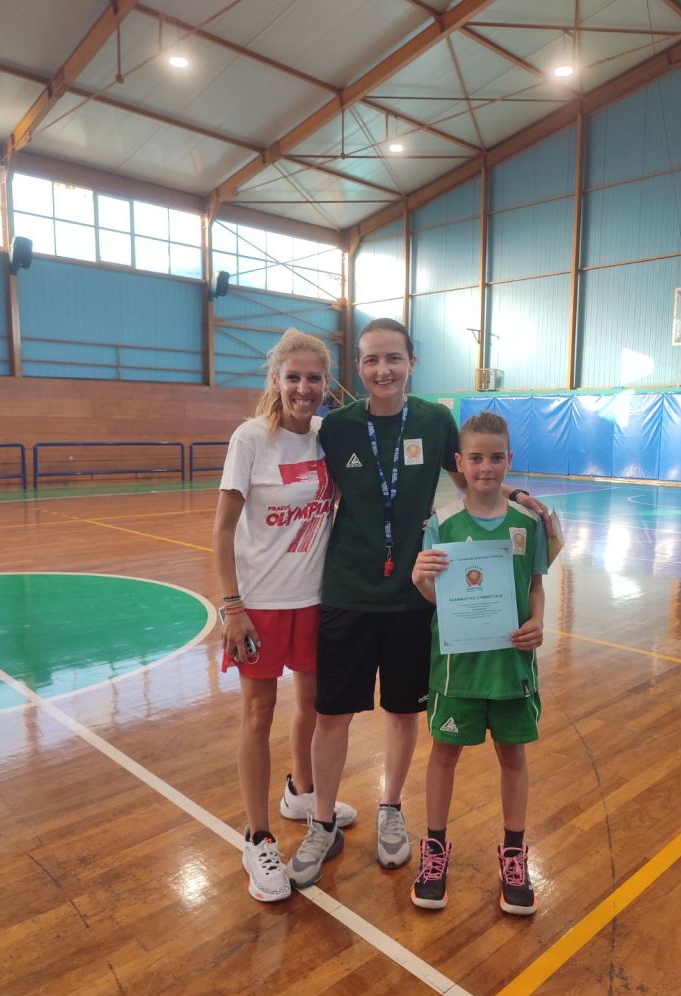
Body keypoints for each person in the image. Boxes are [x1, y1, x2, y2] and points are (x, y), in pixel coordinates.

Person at [286, 319, 550, 889]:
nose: (382, 370)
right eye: (371, 359)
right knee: (332, 714)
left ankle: (390, 808)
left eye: (393, 358)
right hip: (348, 591)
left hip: (416, 596)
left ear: (411, 362)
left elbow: (472, 478)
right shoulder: (338, 428)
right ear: (358, 366)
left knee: (404, 712)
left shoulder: (433, 421)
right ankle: (322, 822)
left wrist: (519, 496)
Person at [214, 328, 355, 903]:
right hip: (260, 605)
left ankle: (302, 792)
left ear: (327, 383)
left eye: (313, 378)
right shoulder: (251, 438)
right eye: (293, 377)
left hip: (316, 599)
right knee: (258, 714)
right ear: (276, 380)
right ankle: (257, 836)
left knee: (315, 706)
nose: (303, 388)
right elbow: (223, 530)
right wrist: (232, 607)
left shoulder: (327, 438)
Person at [408, 411, 546, 914]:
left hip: (511, 667)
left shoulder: (528, 523)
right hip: (458, 670)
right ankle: (434, 850)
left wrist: (538, 621)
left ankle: (514, 853)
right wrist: (420, 580)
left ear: (509, 460)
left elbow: (535, 586)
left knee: (513, 757)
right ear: (460, 463)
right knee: (444, 755)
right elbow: (436, 598)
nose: (486, 467)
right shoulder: (441, 524)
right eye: (476, 458)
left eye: (496, 457)